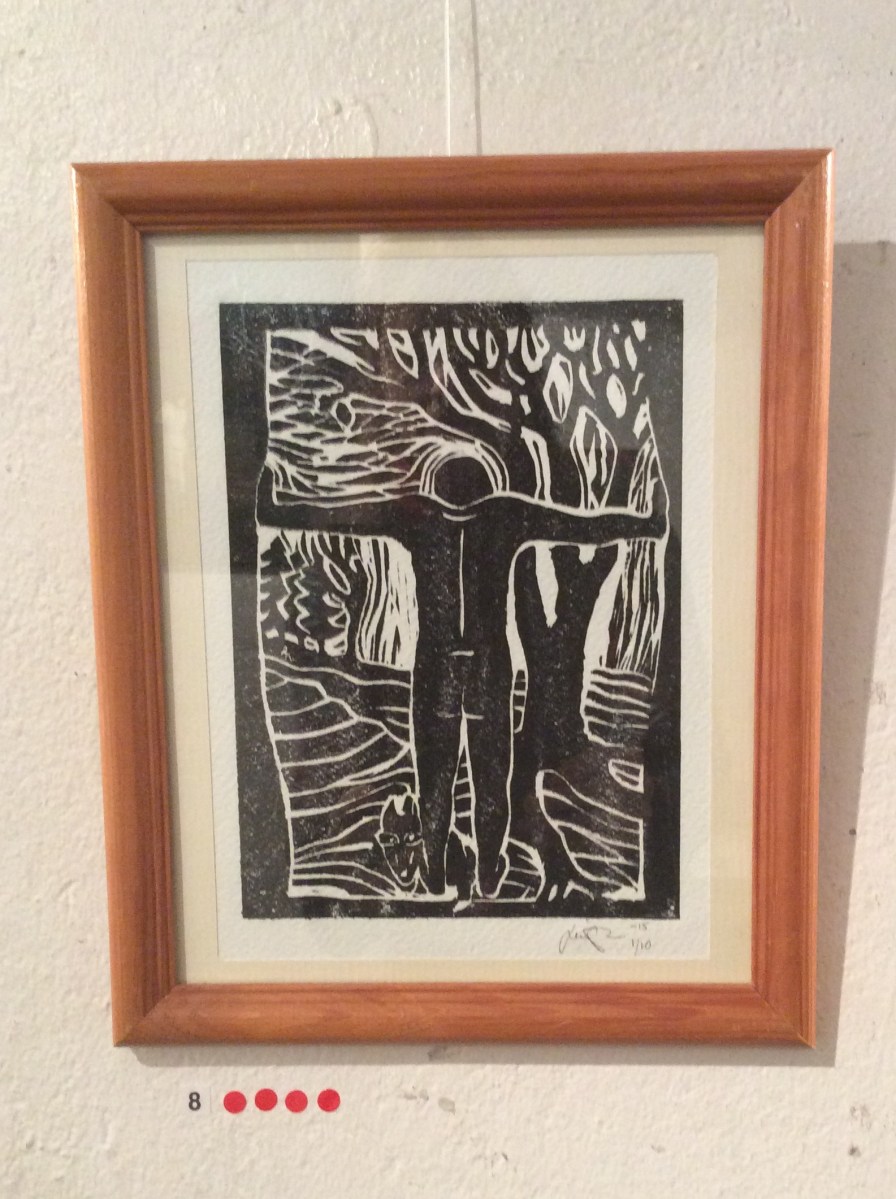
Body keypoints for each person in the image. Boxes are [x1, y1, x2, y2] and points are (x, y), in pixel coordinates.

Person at [256, 454, 668, 899]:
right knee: (476, 778)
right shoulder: (497, 513)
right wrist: (645, 524)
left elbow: (343, 516)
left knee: (448, 777)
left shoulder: (429, 514)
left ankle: (451, 871)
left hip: (448, 667)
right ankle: (477, 872)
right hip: (477, 667)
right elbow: (580, 525)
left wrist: (276, 511)